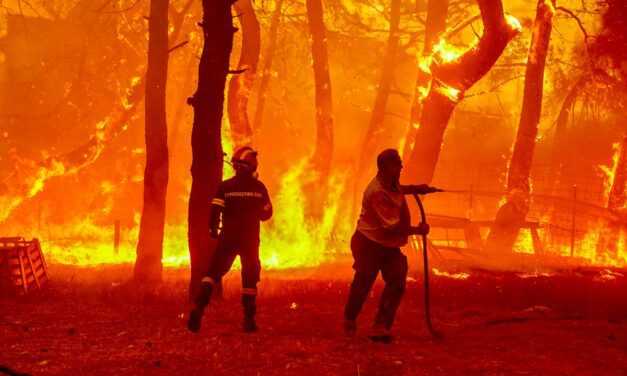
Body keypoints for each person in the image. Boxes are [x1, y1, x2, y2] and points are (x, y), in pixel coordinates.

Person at [344, 148, 438, 343]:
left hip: (387, 246)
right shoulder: (376, 192)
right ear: (385, 167)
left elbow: (397, 189)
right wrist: (417, 230)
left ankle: (380, 326)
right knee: (363, 283)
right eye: (397, 163)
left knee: (397, 281)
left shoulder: (389, 182)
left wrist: (416, 188)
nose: (401, 166)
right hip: (369, 244)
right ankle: (350, 318)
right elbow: (391, 228)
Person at [187, 146, 273, 333]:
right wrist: (255, 210)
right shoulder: (259, 188)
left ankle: (198, 308)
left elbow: (215, 211)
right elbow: (267, 214)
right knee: (250, 278)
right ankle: (249, 321)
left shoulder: (225, 187)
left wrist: (213, 230)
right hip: (249, 240)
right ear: (252, 166)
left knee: (213, 273)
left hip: (228, 237)